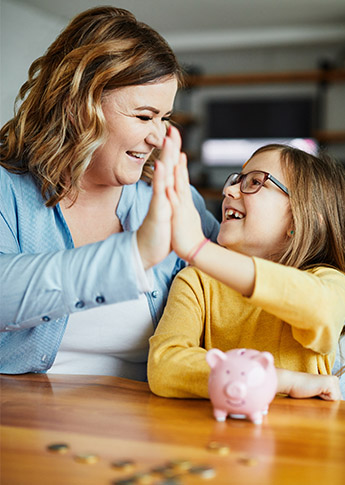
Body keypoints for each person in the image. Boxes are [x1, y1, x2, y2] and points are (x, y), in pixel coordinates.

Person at [0, 6, 219, 378]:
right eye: (144, 116)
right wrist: (134, 254)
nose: (159, 136)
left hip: (150, 429)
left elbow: (247, 280)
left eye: (164, 118)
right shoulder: (8, 189)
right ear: (78, 107)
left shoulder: (168, 196)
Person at [148, 137, 345, 400]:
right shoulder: (197, 281)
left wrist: (199, 248)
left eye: (255, 182)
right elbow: (165, 365)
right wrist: (275, 379)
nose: (229, 191)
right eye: (236, 180)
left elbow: (318, 308)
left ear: (299, 219)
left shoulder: (328, 281)